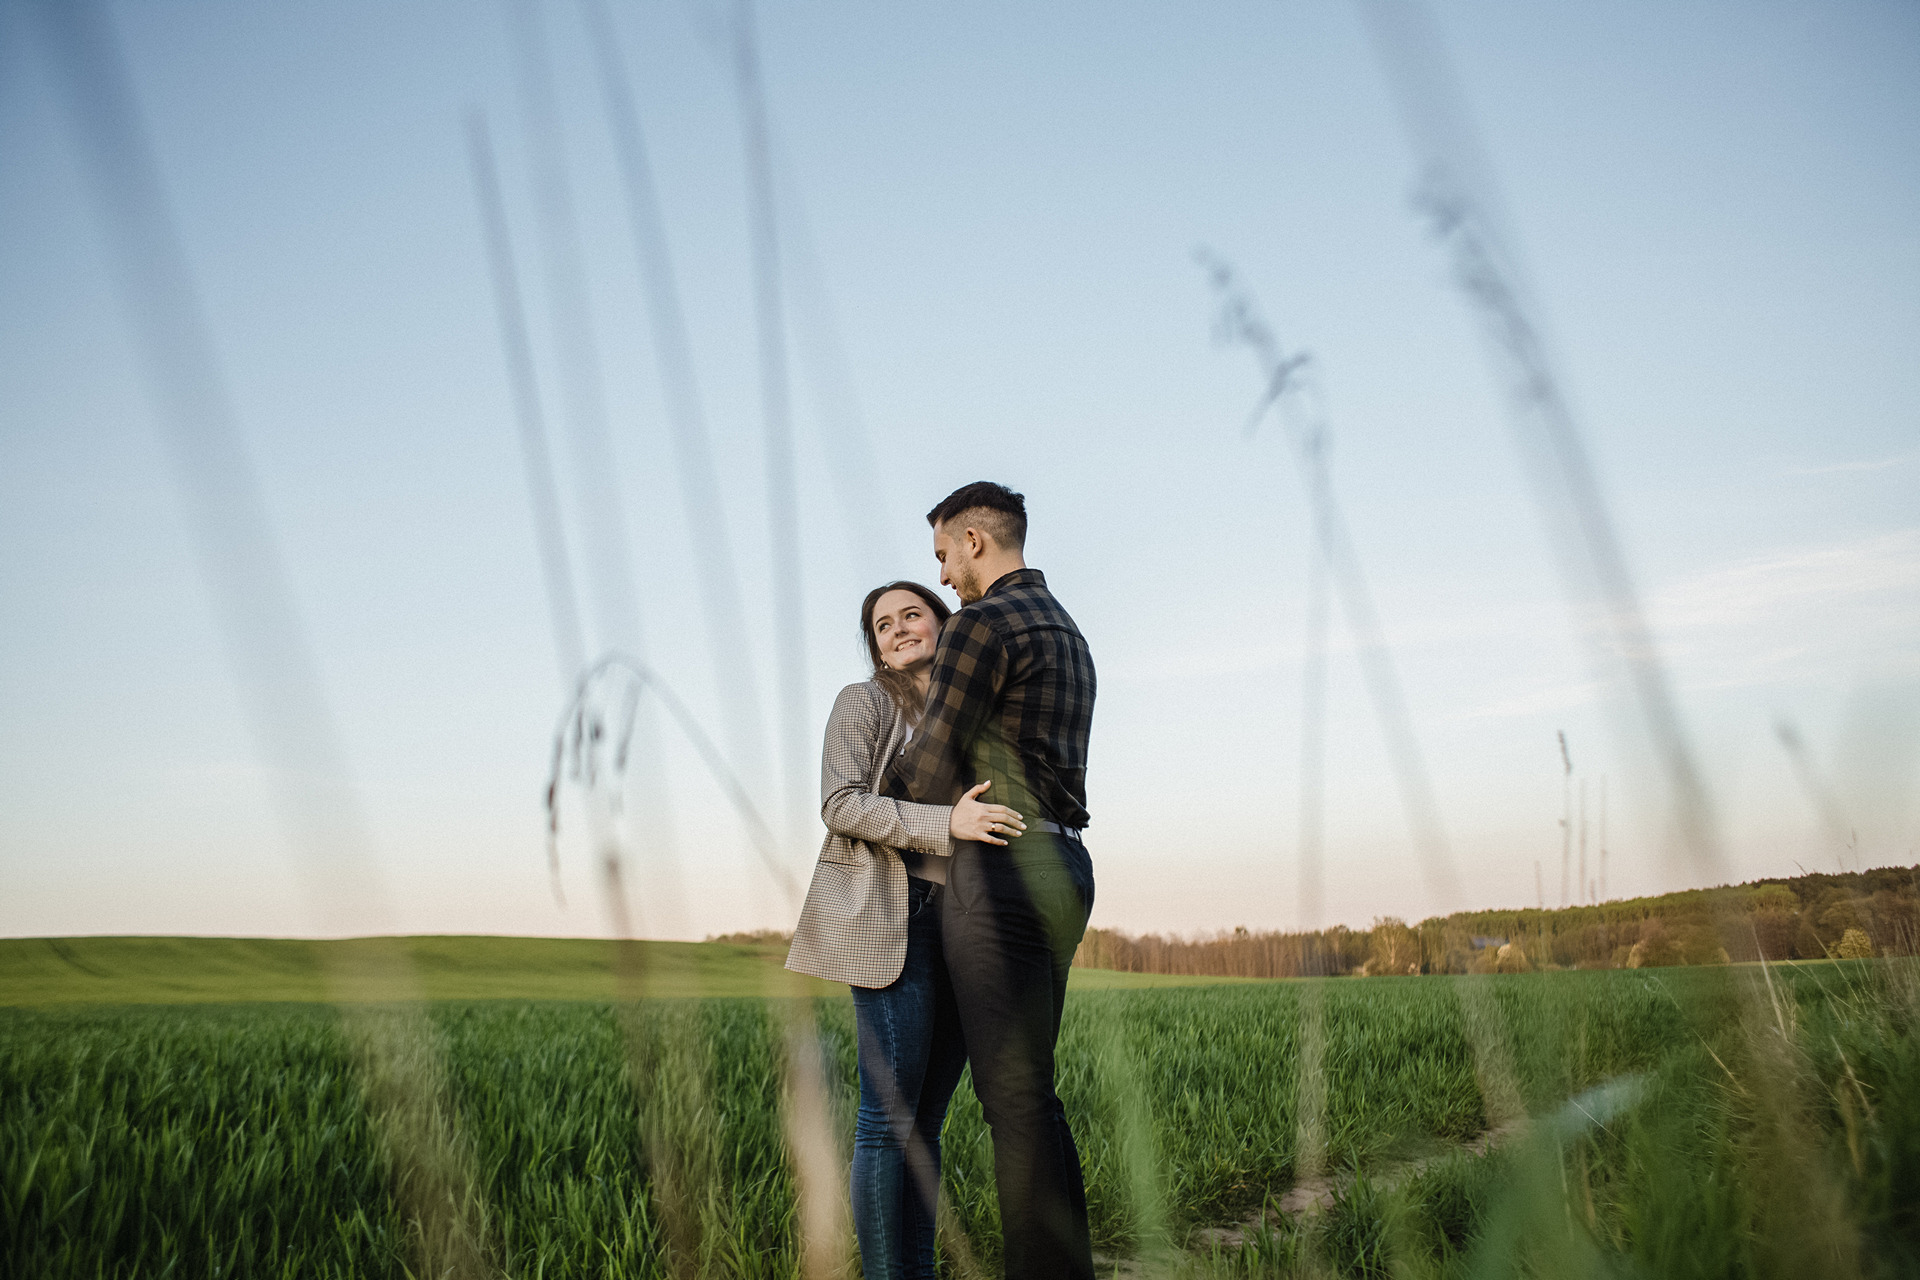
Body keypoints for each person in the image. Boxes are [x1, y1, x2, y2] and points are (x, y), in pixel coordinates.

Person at [883, 481, 1098, 1280]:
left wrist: (881, 798)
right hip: (1065, 865)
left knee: (1012, 1103)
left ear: (975, 540)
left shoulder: (980, 624)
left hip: (999, 870)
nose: (942, 578)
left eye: (943, 555)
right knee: (1034, 1095)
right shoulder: (1068, 629)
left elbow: (932, 763)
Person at [786, 579, 1027, 1280]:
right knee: (887, 1120)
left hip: (968, 921)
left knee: (925, 1125)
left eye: (910, 614)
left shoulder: (978, 709)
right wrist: (943, 823)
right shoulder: (862, 702)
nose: (895, 629)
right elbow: (840, 803)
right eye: (881, 625)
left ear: (943, 624)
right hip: (896, 918)